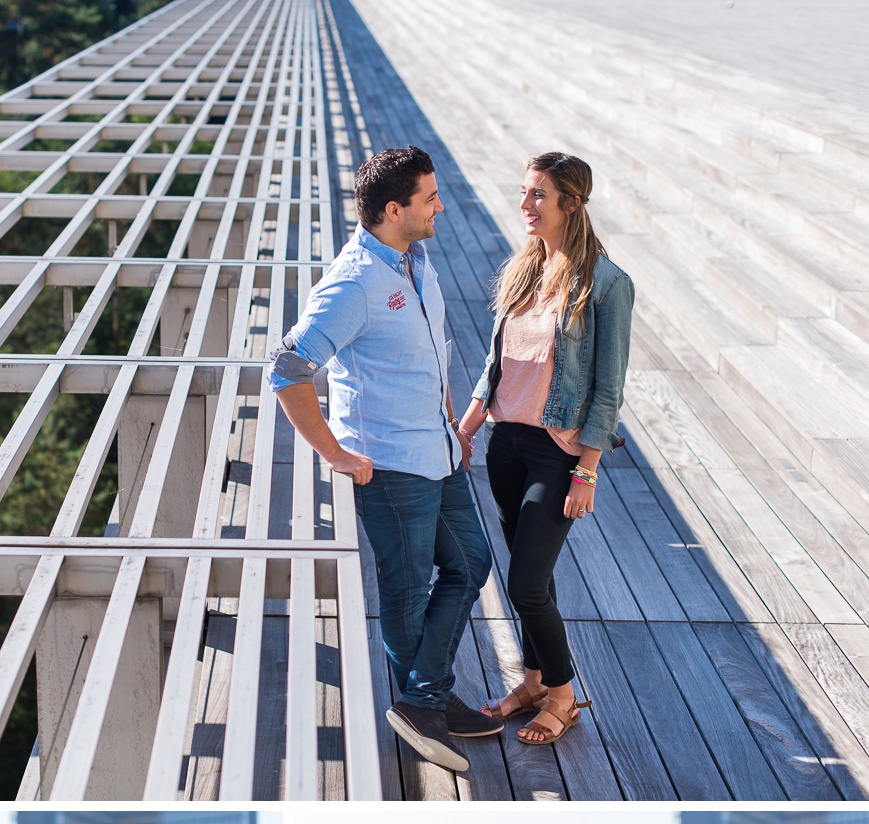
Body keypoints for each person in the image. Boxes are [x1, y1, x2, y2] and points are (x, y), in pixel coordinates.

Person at [269, 144, 500, 774]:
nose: (440, 206)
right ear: (393, 209)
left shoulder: (415, 257)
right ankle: (425, 703)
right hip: (391, 464)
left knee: (471, 562)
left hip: (439, 447)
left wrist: (452, 417)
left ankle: (426, 698)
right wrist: (336, 454)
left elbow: (432, 349)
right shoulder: (353, 283)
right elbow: (288, 369)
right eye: (429, 198)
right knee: (404, 589)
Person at [458, 152, 634, 745]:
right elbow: (498, 360)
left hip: (557, 452)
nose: (526, 204)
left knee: (526, 583)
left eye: (539, 195)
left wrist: (587, 469)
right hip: (508, 440)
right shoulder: (523, 269)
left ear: (571, 203)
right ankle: (532, 682)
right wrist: (471, 421)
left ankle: (562, 693)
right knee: (535, 574)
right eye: (525, 192)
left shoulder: (607, 284)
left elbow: (609, 385)